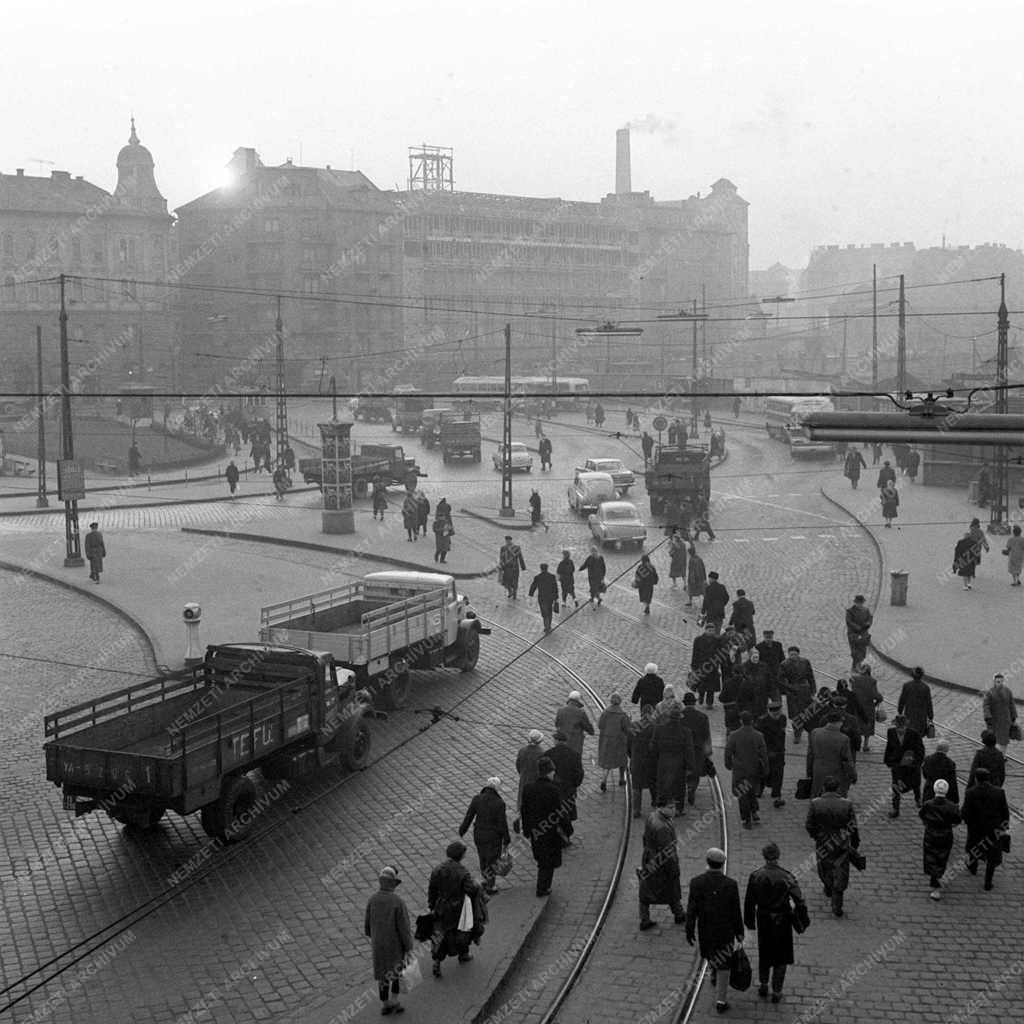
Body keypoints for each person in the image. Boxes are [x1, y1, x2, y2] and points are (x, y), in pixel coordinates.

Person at [743, 842, 809, 1004]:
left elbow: (749, 901)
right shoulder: (786, 876)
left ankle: (764, 984)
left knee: (765, 952)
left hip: (764, 918)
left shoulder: (756, 875)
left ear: (764, 857)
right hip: (783, 919)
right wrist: (803, 919)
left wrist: (750, 921)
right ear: (778, 857)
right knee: (782, 956)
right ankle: (777, 991)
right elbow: (799, 899)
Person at [686, 848, 744, 1013]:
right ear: (722, 864)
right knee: (725, 964)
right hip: (725, 931)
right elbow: (735, 911)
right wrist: (740, 932)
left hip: (706, 929)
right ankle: (721, 1000)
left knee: (710, 953)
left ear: (707, 862)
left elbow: (692, 910)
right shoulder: (731, 885)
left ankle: (713, 973)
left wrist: (689, 930)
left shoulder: (696, 882)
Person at [806, 776, 861, 918]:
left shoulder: (815, 803)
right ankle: (837, 902)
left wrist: (816, 836)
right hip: (841, 842)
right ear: (837, 789)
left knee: (824, 866)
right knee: (841, 869)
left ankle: (828, 886)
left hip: (823, 840)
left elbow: (809, 825)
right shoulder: (847, 804)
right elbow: (853, 826)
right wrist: (854, 842)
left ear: (824, 788)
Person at [364, 865, 413, 1015]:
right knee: (395, 974)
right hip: (395, 945)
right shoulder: (397, 902)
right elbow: (404, 928)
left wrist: (374, 936)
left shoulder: (372, 899)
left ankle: (385, 1003)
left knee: (382, 975)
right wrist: (409, 947)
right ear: (393, 884)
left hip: (378, 944)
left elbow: (367, 925)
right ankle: (394, 1001)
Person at [427, 840, 480, 976]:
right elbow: (471, 889)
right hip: (458, 908)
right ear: (460, 856)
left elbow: (432, 890)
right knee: (462, 931)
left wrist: (432, 906)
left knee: (439, 934)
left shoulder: (437, 869)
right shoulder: (463, 872)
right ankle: (463, 954)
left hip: (441, 907)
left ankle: (437, 961)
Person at [638, 799, 687, 929]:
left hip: (649, 857)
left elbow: (644, 837)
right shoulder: (662, 827)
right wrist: (674, 869)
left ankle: (645, 918)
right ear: (662, 808)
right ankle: (679, 913)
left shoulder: (652, 816)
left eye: (674, 807)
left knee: (646, 889)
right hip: (660, 862)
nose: (674, 810)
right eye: (670, 807)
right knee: (671, 887)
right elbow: (667, 853)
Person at [458, 777, 511, 895]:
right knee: (492, 860)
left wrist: (462, 830)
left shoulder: (477, 799)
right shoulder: (499, 803)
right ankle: (490, 886)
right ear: (497, 789)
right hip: (493, 837)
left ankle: (486, 880)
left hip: (479, 835)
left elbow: (469, 816)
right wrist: (506, 839)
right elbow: (503, 823)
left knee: (483, 857)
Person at [961, 767, 1010, 891]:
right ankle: (988, 882)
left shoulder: (970, 792)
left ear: (976, 779)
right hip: (993, 828)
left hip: (976, 828)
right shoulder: (999, 792)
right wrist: (1004, 826)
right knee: (992, 856)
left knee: (973, 848)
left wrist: (967, 823)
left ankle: (973, 868)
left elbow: (966, 812)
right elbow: (1005, 811)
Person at [521, 757, 563, 897]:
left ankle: (543, 886)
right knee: (548, 862)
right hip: (550, 832)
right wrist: (566, 830)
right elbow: (559, 813)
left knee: (541, 859)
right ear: (549, 772)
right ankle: (542, 888)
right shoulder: (553, 790)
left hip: (535, 831)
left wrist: (526, 830)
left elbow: (524, 811)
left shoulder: (528, 789)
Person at [918, 778, 962, 901]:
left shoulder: (928, 804)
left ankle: (935, 883)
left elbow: (922, 815)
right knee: (942, 858)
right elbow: (957, 820)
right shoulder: (952, 806)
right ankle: (937, 883)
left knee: (931, 857)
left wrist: (927, 824)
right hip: (946, 835)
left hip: (931, 834)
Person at [724, 710, 769, 828]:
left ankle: (746, 819)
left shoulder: (733, 735)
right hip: (754, 770)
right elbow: (764, 754)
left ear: (741, 721)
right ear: (752, 721)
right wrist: (766, 769)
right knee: (752, 792)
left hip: (740, 771)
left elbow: (728, 752)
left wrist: (728, 764)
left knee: (742, 794)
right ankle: (754, 811)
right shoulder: (759, 736)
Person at [651, 704, 696, 815]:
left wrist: (656, 759)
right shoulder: (686, 732)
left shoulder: (659, 729)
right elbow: (689, 750)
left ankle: (661, 807)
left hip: (663, 761)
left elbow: (653, 747)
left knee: (662, 784)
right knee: (679, 787)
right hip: (679, 763)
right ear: (680, 718)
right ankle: (678, 809)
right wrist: (691, 766)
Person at [806, 710, 857, 797]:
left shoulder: (814, 732)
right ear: (838, 722)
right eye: (841, 722)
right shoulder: (843, 739)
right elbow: (847, 761)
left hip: (818, 770)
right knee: (836, 796)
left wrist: (809, 771)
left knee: (817, 793)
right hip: (836, 773)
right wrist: (853, 775)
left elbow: (810, 755)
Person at [545, 731, 584, 840]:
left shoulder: (548, 754)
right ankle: (566, 835)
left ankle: (558, 834)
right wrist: (574, 785)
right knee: (567, 812)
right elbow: (579, 773)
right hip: (568, 789)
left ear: (556, 741)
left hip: (552, 789)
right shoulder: (575, 754)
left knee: (553, 813)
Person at [883, 714, 925, 818]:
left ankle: (918, 799)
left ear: (906, 726)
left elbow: (920, 750)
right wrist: (887, 760)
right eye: (898, 727)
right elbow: (889, 747)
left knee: (915, 783)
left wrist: (916, 763)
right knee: (896, 786)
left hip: (911, 764)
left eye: (902, 727)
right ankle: (895, 809)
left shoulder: (914, 734)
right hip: (897, 765)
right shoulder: (891, 732)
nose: (900, 729)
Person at [681, 692, 713, 805]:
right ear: (694, 703)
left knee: (683, 770)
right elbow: (706, 735)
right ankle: (692, 788)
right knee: (695, 772)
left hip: (683, 750)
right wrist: (708, 751)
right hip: (698, 749)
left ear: (684, 703)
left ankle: (686, 786)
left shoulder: (679, 716)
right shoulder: (703, 717)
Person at [779, 646, 816, 744]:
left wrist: (813, 690)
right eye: (791, 655)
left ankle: (809, 732)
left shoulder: (805, 662)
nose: (793, 656)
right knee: (795, 715)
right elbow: (781, 680)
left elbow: (810, 676)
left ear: (798, 654)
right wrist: (790, 687)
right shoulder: (784, 664)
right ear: (788, 654)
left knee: (806, 713)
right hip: (792, 693)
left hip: (805, 691)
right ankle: (797, 734)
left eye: (795, 654)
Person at [756, 699, 788, 808]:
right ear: (769, 712)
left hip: (779, 752)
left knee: (779, 774)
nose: (776, 715)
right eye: (774, 714)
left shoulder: (783, 718)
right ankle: (759, 790)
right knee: (763, 772)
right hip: (766, 752)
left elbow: (783, 733)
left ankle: (776, 794)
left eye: (778, 713)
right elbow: (759, 739)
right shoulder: (761, 721)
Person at [629, 704, 658, 818]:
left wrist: (632, 756)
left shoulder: (634, 726)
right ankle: (655, 803)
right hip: (651, 761)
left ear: (641, 713)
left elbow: (628, 745)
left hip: (637, 760)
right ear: (651, 713)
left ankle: (636, 810)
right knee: (653, 784)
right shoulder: (655, 726)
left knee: (637, 786)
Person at [597, 694, 630, 791]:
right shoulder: (623, 715)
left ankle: (604, 780)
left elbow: (600, 725)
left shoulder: (605, 712)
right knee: (622, 760)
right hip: (619, 741)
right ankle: (621, 779)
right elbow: (627, 729)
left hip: (607, 740)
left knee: (607, 762)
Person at [849, 663, 883, 752]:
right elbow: (875, 695)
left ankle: (856, 743)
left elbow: (853, 690)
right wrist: (879, 699)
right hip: (868, 707)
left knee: (857, 724)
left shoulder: (855, 679)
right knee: (867, 725)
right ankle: (865, 745)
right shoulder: (872, 681)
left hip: (856, 706)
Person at [691, 623, 725, 709]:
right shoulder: (698, 640)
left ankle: (710, 703)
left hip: (713, 666)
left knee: (711, 686)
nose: (711, 632)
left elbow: (721, 651)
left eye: (713, 631)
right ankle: (701, 696)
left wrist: (718, 662)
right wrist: (694, 666)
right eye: (709, 630)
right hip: (701, 665)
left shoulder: (717, 640)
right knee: (702, 684)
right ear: (705, 630)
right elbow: (695, 653)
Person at [982, 673, 1017, 750]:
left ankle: (1003, 756)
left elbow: (1012, 704)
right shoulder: (989, 692)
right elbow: (986, 706)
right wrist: (988, 717)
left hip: (1005, 720)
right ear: (994, 682)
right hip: (994, 721)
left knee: (1004, 741)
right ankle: (994, 755)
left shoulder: (1008, 691)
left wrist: (1014, 716)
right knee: (994, 740)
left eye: (1001, 681)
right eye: (998, 682)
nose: (1000, 683)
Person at [515, 730, 545, 816]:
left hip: (524, 779)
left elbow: (518, 765)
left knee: (523, 798)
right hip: (536, 780)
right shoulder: (542, 753)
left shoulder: (522, 751)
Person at [555, 691, 595, 755]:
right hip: (575, 745)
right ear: (578, 701)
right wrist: (591, 730)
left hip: (562, 743)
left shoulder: (560, 711)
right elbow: (589, 729)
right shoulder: (581, 712)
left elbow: (556, 724)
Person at [897, 667, 933, 737]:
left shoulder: (907, 686)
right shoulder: (925, 688)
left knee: (909, 734)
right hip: (921, 718)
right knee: (918, 736)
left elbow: (902, 700)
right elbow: (929, 703)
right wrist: (930, 716)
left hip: (909, 715)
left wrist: (900, 711)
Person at [922, 738, 959, 804]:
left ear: (937, 748)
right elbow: (953, 782)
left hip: (929, 791)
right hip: (943, 793)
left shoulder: (928, 759)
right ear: (946, 750)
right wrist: (955, 799)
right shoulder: (950, 763)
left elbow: (925, 774)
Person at [528, 562, 559, 633]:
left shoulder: (538, 577)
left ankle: (547, 626)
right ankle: (549, 625)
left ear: (541, 569)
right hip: (550, 597)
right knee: (549, 611)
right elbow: (555, 587)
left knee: (544, 612)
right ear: (547, 568)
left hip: (542, 598)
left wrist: (530, 594)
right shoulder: (552, 577)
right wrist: (556, 597)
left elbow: (533, 586)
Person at [844, 595, 872, 670]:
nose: (860, 604)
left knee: (863, 652)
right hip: (853, 634)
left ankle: (859, 666)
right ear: (855, 603)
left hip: (863, 634)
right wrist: (858, 628)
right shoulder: (850, 611)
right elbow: (849, 622)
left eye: (861, 603)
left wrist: (867, 624)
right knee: (855, 652)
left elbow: (869, 619)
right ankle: (855, 666)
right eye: (858, 603)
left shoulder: (866, 610)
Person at [756, 630, 785, 695]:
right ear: (764, 637)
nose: (768, 639)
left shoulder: (778, 645)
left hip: (776, 673)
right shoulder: (759, 647)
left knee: (776, 693)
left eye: (770, 638)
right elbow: (757, 661)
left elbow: (782, 658)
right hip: (765, 673)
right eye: (767, 638)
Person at [686, 543, 706, 609]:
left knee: (691, 589)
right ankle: (705, 600)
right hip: (701, 577)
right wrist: (704, 577)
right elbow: (703, 568)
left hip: (694, 578)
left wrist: (692, 579)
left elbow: (691, 570)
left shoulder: (691, 560)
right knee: (702, 590)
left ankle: (690, 601)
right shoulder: (699, 558)